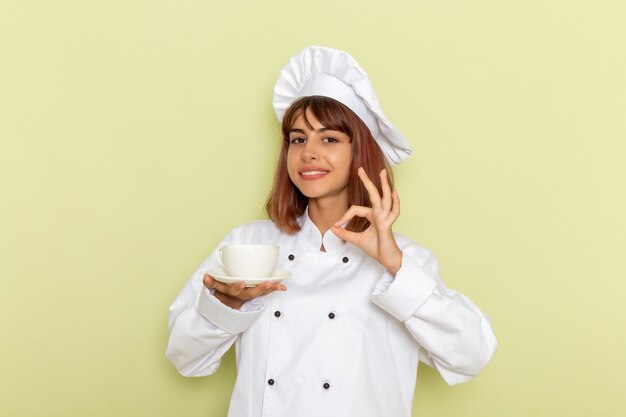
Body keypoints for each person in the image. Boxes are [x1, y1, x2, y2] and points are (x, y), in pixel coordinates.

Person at [166, 46, 497, 417]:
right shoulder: (248, 245)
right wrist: (228, 304)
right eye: (297, 139)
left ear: (361, 153)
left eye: (329, 139)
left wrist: (396, 266)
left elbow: (471, 356)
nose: (308, 152)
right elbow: (184, 357)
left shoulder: (406, 261)